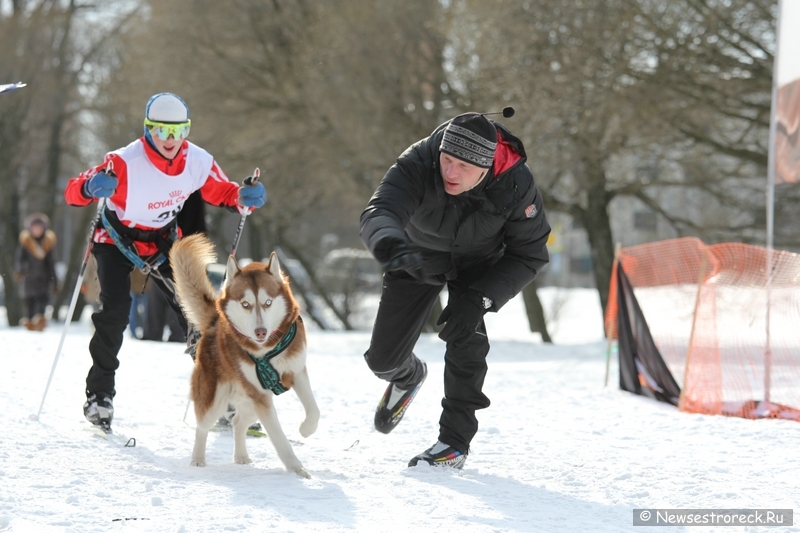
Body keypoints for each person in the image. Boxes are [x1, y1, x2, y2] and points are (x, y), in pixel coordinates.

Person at [360, 109, 550, 469]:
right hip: (416, 254)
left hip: (479, 263)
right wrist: (391, 246)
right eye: (447, 161)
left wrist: (482, 298)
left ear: (486, 167)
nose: (451, 172)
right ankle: (408, 376)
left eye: (463, 167)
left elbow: (530, 253)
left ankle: (453, 444)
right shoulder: (419, 160)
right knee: (382, 359)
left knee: (466, 338)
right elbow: (380, 210)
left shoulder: (515, 183)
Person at [63, 92, 267, 429]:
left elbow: (225, 192)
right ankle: (99, 396)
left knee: (201, 315)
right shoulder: (124, 160)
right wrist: (90, 187)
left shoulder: (198, 161)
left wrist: (246, 197)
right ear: (148, 130)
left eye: (178, 132)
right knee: (114, 312)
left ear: (187, 131)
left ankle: (225, 399)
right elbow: (73, 190)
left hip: (162, 241)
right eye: (161, 131)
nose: (170, 140)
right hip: (116, 239)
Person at [14, 213, 58, 331]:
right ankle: (29, 322)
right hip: (28, 278)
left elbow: (51, 263)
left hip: (43, 278)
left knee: (42, 301)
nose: (37, 230)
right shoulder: (25, 242)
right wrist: (20, 269)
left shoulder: (48, 243)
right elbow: (20, 258)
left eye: (39, 228)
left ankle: (40, 322)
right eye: (35, 228)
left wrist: (55, 281)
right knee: (29, 302)